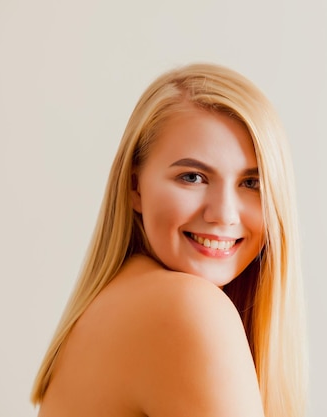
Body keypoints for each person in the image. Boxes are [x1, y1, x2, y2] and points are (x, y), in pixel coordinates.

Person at [31, 63, 307, 417]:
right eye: (193, 177)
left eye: (251, 183)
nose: (223, 214)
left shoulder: (119, 299)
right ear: (135, 188)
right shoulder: (186, 306)